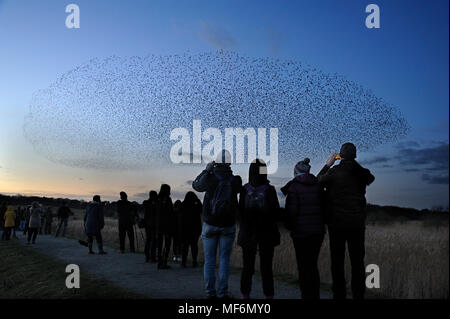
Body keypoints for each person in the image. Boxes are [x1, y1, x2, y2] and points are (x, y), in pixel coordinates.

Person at [317, 143, 375, 299]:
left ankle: (339, 295)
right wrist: (351, 161)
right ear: (355, 156)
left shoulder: (334, 172)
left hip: (336, 224)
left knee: (337, 261)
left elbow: (317, 182)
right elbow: (370, 178)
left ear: (340, 156)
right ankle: (358, 295)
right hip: (357, 223)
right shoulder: (361, 173)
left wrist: (328, 164)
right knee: (357, 262)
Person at [192, 150, 242, 299]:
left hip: (210, 223)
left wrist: (206, 170)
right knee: (224, 260)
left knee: (209, 260)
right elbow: (238, 191)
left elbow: (196, 186)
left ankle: (210, 293)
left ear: (216, 161)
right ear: (229, 162)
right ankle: (222, 293)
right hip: (228, 224)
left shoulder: (211, 178)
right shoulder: (235, 180)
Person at [282, 158, 325, 299]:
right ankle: (315, 295)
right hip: (317, 233)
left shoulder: (294, 187)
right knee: (312, 265)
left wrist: (290, 228)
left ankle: (305, 295)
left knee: (303, 266)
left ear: (296, 172)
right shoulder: (318, 185)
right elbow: (325, 209)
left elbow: (291, 212)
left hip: (300, 234)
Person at [237, 159, 280, 299]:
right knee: (266, 267)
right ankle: (269, 296)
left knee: (247, 267)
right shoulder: (270, 189)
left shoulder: (244, 190)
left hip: (247, 232)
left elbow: (240, 212)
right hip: (267, 233)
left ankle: (245, 295)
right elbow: (275, 212)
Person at [180, 191, 203, 268]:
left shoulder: (183, 204)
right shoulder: (196, 205)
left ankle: (183, 262)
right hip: (195, 229)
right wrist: (198, 201)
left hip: (185, 229)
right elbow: (202, 210)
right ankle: (194, 261)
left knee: (185, 246)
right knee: (194, 246)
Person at [156, 184, 174, 269]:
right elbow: (171, 213)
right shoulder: (168, 199)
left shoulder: (157, 199)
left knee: (159, 244)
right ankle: (164, 262)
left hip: (158, 225)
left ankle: (160, 262)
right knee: (167, 244)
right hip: (167, 225)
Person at [142, 191, 158, 263]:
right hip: (153, 224)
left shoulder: (146, 203)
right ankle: (152, 257)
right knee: (153, 241)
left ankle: (147, 256)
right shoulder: (154, 203)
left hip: (147, 224)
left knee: (148, 240)